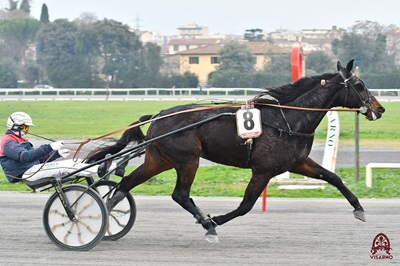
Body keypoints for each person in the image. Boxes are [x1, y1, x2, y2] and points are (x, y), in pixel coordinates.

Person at [0, 111, 113, 184]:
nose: (27, 131)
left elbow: (39, 160)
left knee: (76, 161)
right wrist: (49, 147)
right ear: (15, 126)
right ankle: (99, 171)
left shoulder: (21, 140)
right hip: (26, 173)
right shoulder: (8, 141)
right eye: (25, 128)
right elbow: (25, 157)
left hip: (34, 169)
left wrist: (58, 153)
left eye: (27, 128)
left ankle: (114, 168)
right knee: (68, 165)